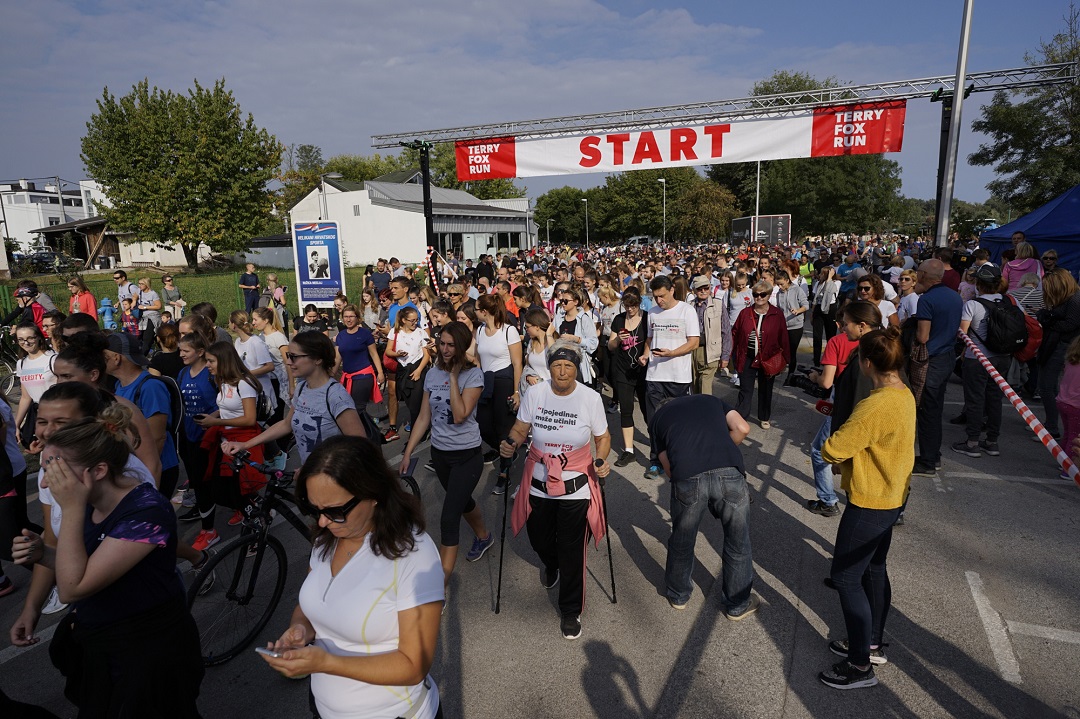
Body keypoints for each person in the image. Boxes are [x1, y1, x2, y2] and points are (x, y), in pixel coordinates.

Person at [12, 405, 204, 716]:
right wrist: (44, 554)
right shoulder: (89, 500)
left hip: (147, 650)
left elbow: (73, 588)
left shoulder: (146, 510)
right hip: (105, 642)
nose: (46, 485)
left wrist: (72, 510)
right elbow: (89, 563)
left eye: (55, 471)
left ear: (99, 471)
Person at [262, 436, 443, 718]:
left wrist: (326, 663)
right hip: (324, 707)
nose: (321, 521)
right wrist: (299, 630)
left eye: (334, 511)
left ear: (373, 495)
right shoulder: (328, 538)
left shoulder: (413, 555)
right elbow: (311, 605)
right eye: (314, 509)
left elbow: (414, 665)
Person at [819, 327, 915, 690]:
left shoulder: (876, 404)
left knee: (845, 577)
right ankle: (871, 643)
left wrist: (833, 453)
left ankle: (859, 665)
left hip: (871, 500)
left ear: (867, 362)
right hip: (892, 495)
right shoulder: (902, 393)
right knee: (875, 568)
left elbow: (835, 447)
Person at [500, 340, 612, 640]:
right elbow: (521, 429)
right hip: (538, 481)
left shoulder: (590, 398)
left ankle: (570, 609)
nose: (562, 372)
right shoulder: (536, 393)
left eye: (569, 366)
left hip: (576, 486)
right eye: (557, 366)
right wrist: (510, 442)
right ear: (549, 368)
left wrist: (601, 460)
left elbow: (603, 437)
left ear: (577, 369)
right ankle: (551, 563)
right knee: (539, 538)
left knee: (572, 551)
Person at [399, 321, 495, 598]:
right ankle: (484, 536)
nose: (444, 349)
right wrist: (407, 453)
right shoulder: (432, 374)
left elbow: (461, 413)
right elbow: (424, 417)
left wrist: (453, 378)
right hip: (440, 454)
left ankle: (437, 590)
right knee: (462, 501)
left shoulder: (474, 376)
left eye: (451, 345)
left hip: (467, 455)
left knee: (449, 517)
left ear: (462, 346)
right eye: (442, 343)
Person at [649, 393, 756, 618]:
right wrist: (721, 450)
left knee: (682, 539)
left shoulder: (658, 420)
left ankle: (678, 595)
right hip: (728, 470)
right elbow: (743, 428)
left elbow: (669, 469)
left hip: (688, 474)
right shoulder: (711, 400)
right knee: (738, 541)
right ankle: (737, 604)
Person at [223, 332, 366, 469]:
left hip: (334, 481)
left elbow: (360, 446)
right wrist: (245, 445)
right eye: (288, 356)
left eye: (294, 357)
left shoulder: (336, 395)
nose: (289, 362)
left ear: (317, 359)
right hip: (311, 476)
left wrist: (320, 471)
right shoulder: (302, 387)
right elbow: (286, 424)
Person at [805, 302, 882, 516]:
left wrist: (839, 454)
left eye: (845, 324)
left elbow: (828, 383)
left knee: (820, 452)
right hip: (869, 417)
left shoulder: (859, 358)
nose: (842, 328)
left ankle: (828, 500)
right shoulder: (882, 345)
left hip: (852, 413)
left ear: (862, 325)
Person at [193, 341, 266, 548]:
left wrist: (215, 422)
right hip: (227, 441)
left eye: (210, 361)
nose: (207, 365)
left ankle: (257, 526)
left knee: (238, 490)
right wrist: (213, 416)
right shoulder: (223, 381)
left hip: (244, 442)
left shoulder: (243, 383)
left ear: (223, 360)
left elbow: (250, 419)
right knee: (228, 490)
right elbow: (226, 408)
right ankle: (256, 511)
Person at [105, 332, 182, 499]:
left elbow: (157, 438)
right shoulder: (119, 385)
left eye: (104, 356)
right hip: (134, 468)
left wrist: (147, 477)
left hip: (156, 468)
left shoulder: (151, 387)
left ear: (117, 358)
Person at [642, 276, 700, 479]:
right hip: (654, 375)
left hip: (679, 377)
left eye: (662, 296)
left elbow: (693, 342)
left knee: (680, 422)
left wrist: (672, 354)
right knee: (654, 422)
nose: (659, 301)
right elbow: (649, 338)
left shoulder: (687, 310)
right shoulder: (651, 312)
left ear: (672, 289)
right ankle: (655, 462)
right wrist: (645, 354)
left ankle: (681, 460)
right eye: (655, 297)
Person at [911, 259, 963, 477]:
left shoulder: (927, 300)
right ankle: (933, 455)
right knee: (935, 408)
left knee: (927, 410)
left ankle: (928, 460)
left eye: (918, 273)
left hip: (930, 359)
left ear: (924, 274)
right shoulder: (955, 296)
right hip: (947, 356)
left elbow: (922, 336)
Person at [953, 264, 1011, 459]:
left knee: (975, 399)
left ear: (978, 283)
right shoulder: (1009, 301)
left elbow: (962, 333)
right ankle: (992, 441)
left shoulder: (973, 304)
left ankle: (972, 442)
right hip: (1002, 357)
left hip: (977, 358)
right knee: (995, 399)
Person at [474, 295, 523, 479]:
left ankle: (504, 472)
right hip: (486, 382)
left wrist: (516, 392)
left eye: (477, 309)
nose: (475, 312)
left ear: (485, 311)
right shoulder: (479, 331)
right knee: (483, 425)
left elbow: (517, 363)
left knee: (503, 428)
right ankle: (509, 452)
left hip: (504, 380)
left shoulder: (508, 331)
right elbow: (478, 360)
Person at [731, 281, 790, 429]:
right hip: (747, 356)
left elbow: (784, 338)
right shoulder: (745, 313)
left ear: (769, 295)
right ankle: (741, 417)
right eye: (756, 294)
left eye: (763, 294)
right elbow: (735, 334)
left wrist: (785, 360)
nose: (759, 297)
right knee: (745, 389)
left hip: (768, 358)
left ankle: (764, 416)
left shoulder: (777, 314)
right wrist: (730, 355)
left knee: (766, 389)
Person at [1035, 269, 1080, 440]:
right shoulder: (1070, 298)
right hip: (1058, 344)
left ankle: (1052, 427)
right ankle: (1051, 423)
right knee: (1050, 386)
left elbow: (1070, 324)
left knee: (1047, 386)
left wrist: (1048, 320)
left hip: (1062, 345)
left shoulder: (1075, 300)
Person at [607, 290, 648, 467]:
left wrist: (646, 356)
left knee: (649, 411)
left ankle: (658, 447)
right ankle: (628, 451)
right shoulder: (619, 319)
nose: (630, 309)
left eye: (634, 305)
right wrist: (618, 340)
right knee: (626, 410)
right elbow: (610, 345)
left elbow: (651, 341)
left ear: (639, 303)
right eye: (627, 306)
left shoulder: (647, 318)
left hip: (644, 371)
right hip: (623, 370)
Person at [383, 306, 430, 442]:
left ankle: (417, 433)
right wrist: (397, 353)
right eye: (412, 321)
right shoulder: (394, 332)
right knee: (408, 400)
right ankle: (421, 426)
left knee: (416, 402)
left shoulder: (421, 333)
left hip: (417, 367)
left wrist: (419, 370)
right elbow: (388, 351)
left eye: (416, 320)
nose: (415, 323)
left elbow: (426, 355)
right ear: (403, 320)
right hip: (402, 369)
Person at [334, 303, 383, 413]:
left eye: (351, 316)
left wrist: (380, 373)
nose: (348, 319)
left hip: (363, 375)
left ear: (357, 318)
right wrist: (330, 375)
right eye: (346, 317)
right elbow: (337, 358)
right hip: (347, 377)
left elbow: (374, 354)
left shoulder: (365, 334)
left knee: (358, 409)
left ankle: (366, 430)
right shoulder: (341, 336)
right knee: (349, 408)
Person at [14, 322, 56, 450]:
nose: (25, 343)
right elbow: (26, 398)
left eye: (30, 338)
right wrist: (16, 425)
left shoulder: (53, 359)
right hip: (39, 416)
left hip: (56, 415)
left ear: (38, 337)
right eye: (20, 339)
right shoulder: (21, 364)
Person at [689, 275, 729, 396]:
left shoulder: (718, 304)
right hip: (692, 349)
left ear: (710, 288)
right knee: (695, 385)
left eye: (706, 288)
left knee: (705, 384)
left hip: (711, 349)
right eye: (700, 288)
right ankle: (697, 412)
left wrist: (725, 356)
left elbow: (726, 331)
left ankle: (706, 412)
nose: (703, 291)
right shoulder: (689, 306)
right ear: (694, 290)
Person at [551, 286, 598, 386]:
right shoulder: (558, 318)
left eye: (566, 301)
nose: (563, 303)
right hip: (560, 360)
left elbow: (593, 343)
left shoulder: (584, 319)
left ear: (576, 302)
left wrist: (577, 339)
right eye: (561, 300)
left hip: (578, 364)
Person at [773, 269, 809, 383]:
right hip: (784, 326)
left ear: (787, 280)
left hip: (795, 326)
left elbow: (806, 305)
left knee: (792, 351)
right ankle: (780, 368)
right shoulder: (779, 293)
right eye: (777, 284)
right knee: (782, 349)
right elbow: (779, 309)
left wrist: (798, 311)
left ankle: (791, 374)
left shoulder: (797, 290)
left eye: (781, 284)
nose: (779, 287)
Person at [252, 307, 293, 405]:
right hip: (265, 381)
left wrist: (291, 386)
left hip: (278, 382)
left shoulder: (279, 338)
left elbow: (289, 362)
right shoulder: (260, 337)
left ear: (266, 320)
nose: (253, 323)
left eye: (255, 319)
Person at [811, 266, 842, 366]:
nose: (821, 275)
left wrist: (829, 278)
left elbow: (829, 291)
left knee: (830, 335)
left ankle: (830, 359)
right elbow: (815, 299)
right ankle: (816, 360)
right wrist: (812, 313)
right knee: (817, 336)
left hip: (830, 309)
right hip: (818, 309)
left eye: (823, 273)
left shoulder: (836, 283)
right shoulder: (818, 283)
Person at [135, 277, 164, 355]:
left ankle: (142, 357)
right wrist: (134, 301)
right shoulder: (139, 291)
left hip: (152, 317)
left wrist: (145, 307)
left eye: (142, 284)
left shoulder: (153, 294)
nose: (139, 285)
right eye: (139, 283)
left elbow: (158, 306)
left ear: (147, 284)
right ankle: (165, 350)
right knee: (152, 337)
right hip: (143, 317)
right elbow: (134, 296)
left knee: (147, 338)